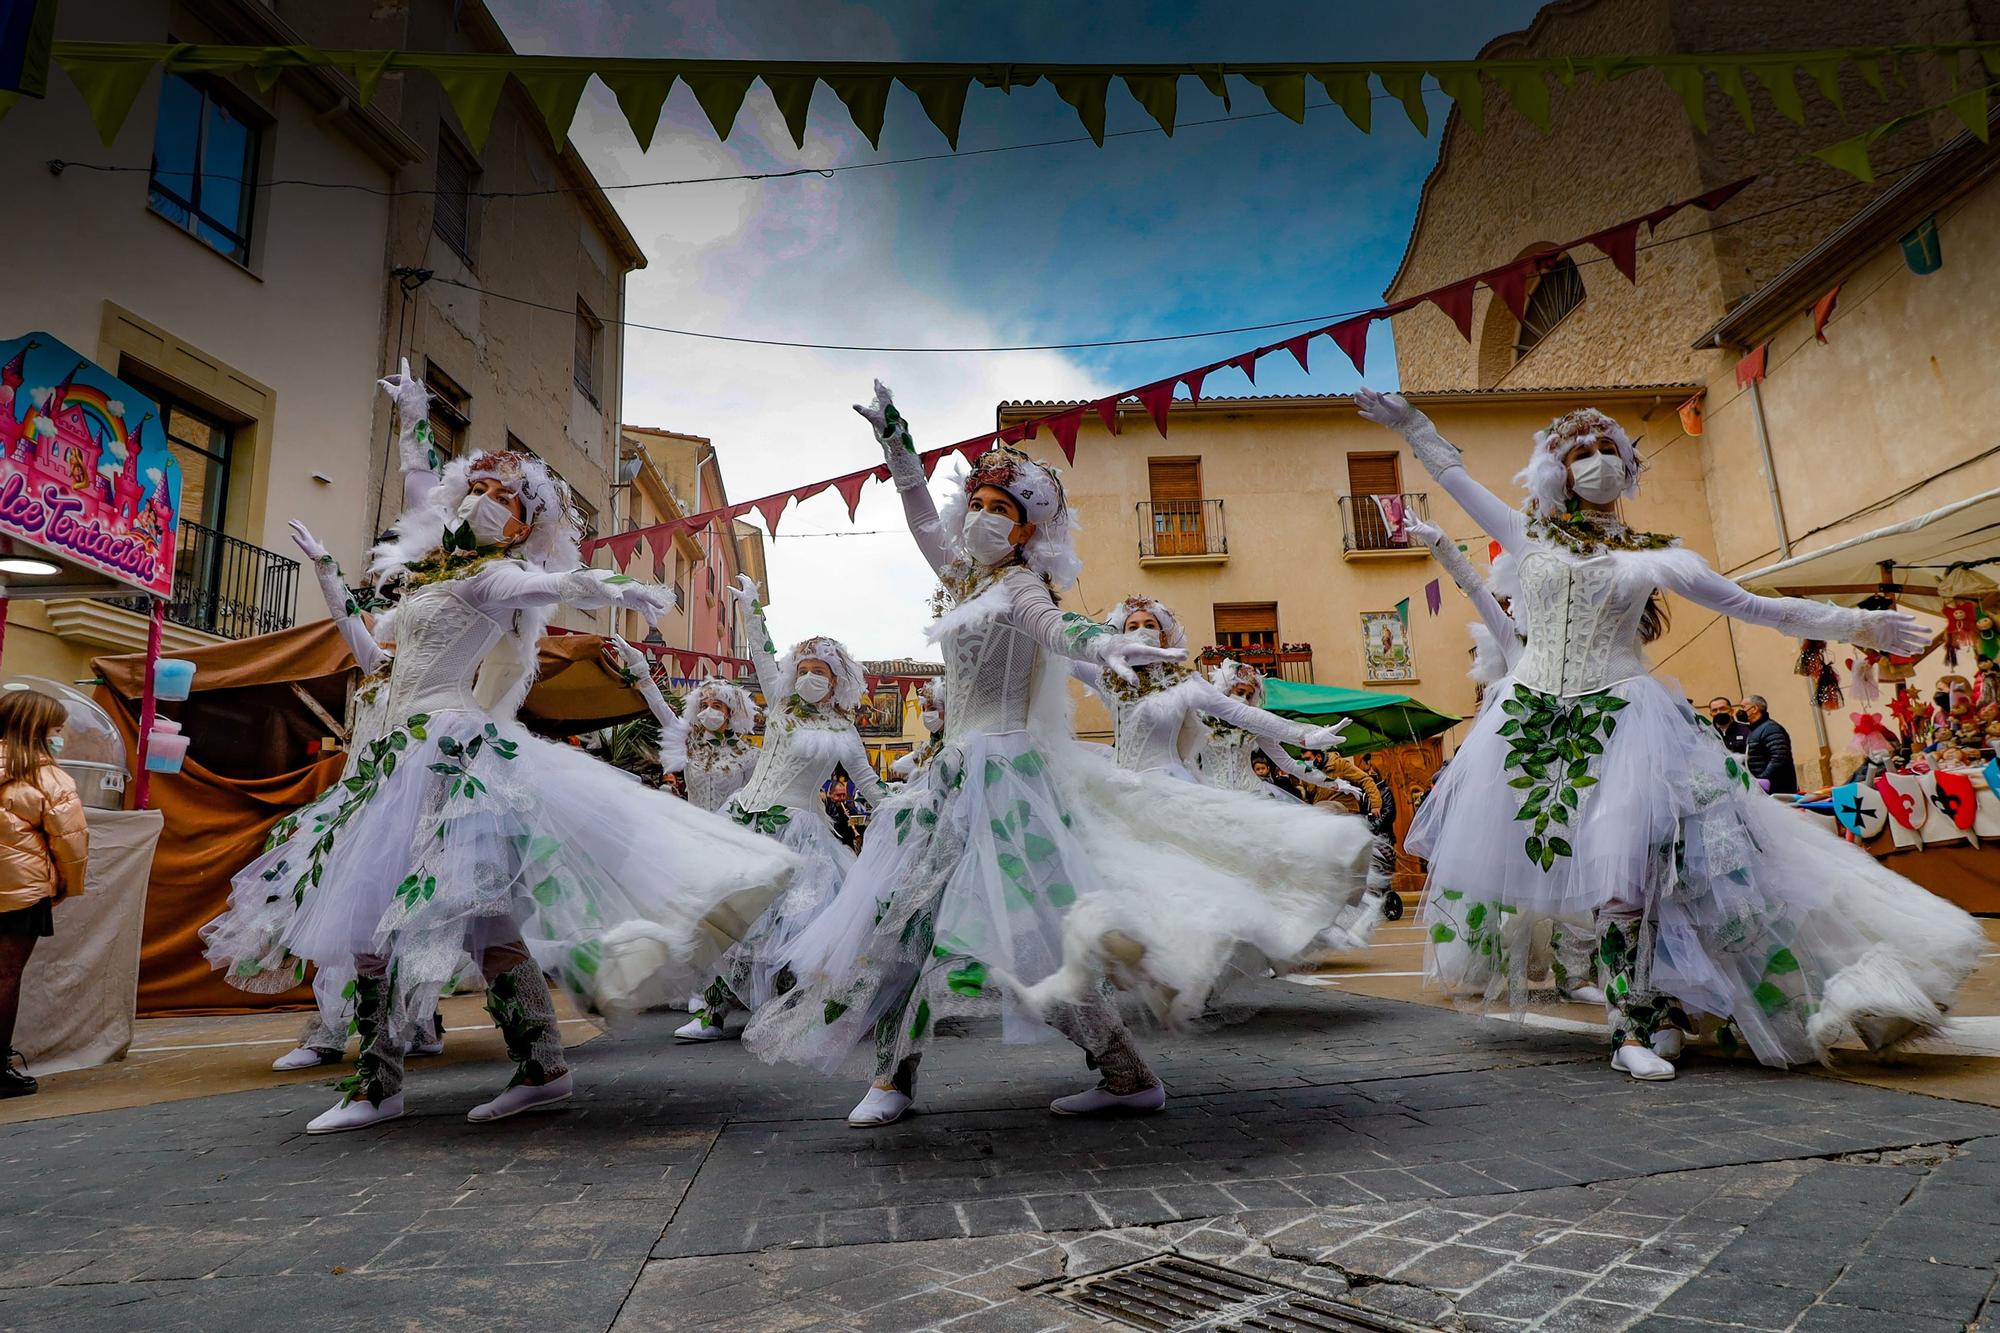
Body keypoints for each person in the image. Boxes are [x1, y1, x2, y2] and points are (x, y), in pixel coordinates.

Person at [746, 384, 1369, 1127]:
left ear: (1027, 529)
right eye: (977, 502)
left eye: (1001, 509)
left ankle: (1124, 1072)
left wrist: (1106, 642)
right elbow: (918, 514)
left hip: (1007, 781)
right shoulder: (959, 580)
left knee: (1035, 939)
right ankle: (895, 1077)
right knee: (902, 926)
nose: (982, 516)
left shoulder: (1016, 585)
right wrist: (898, 448)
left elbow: (1056, 628)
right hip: (950, 780)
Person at [1355, 386, 1980, 1082]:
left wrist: (1857, 624)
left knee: (1630, 880)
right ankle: (1659, 1011)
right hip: (1534, 727)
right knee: (1606, 884)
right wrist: (1411, 424)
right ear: (1555, 473)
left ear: (1626, 468)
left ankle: (1634, 1024)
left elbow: (1755, 607)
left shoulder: (1656, 558)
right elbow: (1451, 475)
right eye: (1579, 453)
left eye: (1607, 451)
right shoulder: (1529, 532)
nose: (1595, 463)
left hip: (1628, 723)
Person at [206, 424, 796, 1133]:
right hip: (393, 762)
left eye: (506, 498)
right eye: (478, 489)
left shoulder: (493, 576)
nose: (487, 503)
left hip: (451, 754)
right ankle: (395, 1081)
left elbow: (551, 581)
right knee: (388, 925)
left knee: (477, 926)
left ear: (523, 526)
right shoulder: (431, 577)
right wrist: (333, 573)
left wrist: (622, 589)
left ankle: (528, 1068)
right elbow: (372, 653)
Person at [675, 586, 885, 1042]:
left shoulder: (844, 729)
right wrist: (752, 608)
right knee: (727, 916)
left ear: (836, 681)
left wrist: (900, 808)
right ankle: (711, 1013)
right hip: (744, 823)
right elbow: (763, 657)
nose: (809, 677)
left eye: (819, 672)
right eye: (804, 670)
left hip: (802, 836)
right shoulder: (780, 706)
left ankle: (787, 1010)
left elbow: (867, 782)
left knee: (790, 925)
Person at [0, 690, 88, 1098]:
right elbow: (71, 843)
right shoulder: (50, 777)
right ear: (38, 731)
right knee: (5, 976)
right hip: (21, 892)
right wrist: (66, 887)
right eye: (57, 729)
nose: (60, 737)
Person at [1740, 696, 1798, 795]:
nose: (1740, 711)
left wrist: (1762, 780)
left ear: (1754, 709)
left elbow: (1779, 758)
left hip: (1776, 789)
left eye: (1743, 707)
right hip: (1766, 789)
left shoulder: (1770, 728)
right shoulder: (1755, 730)